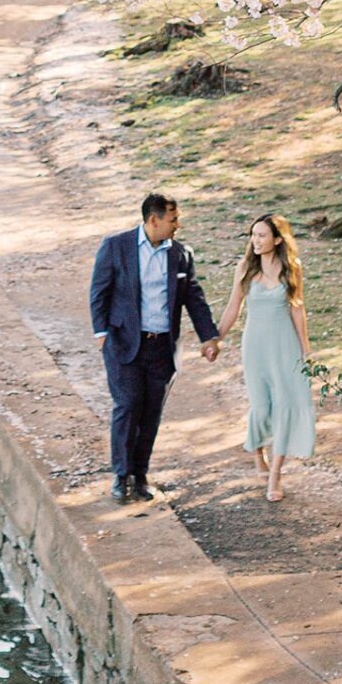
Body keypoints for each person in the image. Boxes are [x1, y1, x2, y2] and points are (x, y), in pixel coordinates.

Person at [89, 192, 220, 504]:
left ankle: (140, 474)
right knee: (128, 404)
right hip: (124, 344)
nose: (178, 225)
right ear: (153, 220)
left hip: (162, 348)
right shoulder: (115, 247)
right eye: (173, 219)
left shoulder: (181, 254)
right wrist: (101, 333)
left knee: (151, 413)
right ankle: (121, 475)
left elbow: (194, 298)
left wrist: (209, 337)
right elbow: (99, 290)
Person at [217, 213, 317, 502]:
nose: (256, 240)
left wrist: (306, 350)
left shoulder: (291, 268)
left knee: (287, 404)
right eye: (253, 235)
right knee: (261, 407)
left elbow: (298, 309)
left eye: (262, 235)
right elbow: (233, 308)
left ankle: (275, 474)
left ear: (277, 239)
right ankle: (257, 449)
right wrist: (216, 339)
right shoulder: (245, 267)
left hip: (285, 344)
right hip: (256, 346)